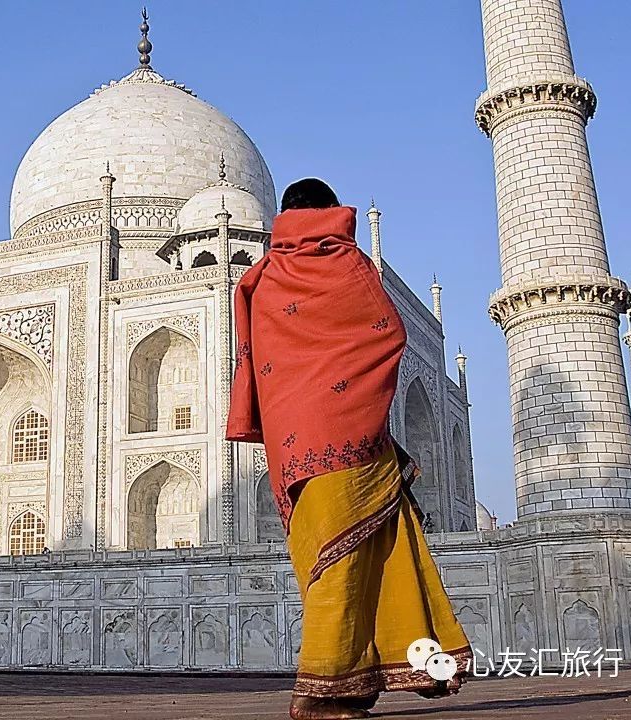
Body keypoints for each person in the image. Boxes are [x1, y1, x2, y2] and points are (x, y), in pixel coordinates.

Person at [226, 179, 470, 719]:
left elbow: (255, 364)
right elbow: (387, 333)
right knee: (353, 558)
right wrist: (361, 412)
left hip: (295, 447)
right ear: (331, 212)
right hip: (352, 440)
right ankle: (317, 692)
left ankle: (359, 681)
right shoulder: (346, 264)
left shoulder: (260, 281)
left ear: (282, 216)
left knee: (336, 557)